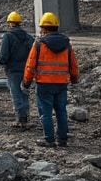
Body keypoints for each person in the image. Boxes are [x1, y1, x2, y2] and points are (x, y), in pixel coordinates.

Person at [23, 12, 79, 147]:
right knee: (61, 111)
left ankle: (49, 139)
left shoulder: (39, 44)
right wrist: (74, 78)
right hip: (61, 83)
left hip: (44, 84)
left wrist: (26, 81)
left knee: (45, 112)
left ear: (43, 28)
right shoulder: (66, 44)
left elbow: (30, 65)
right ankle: (62, 139)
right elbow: (73, 63)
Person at [0, 11, 34, 128]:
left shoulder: (7, 36)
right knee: (24, 92)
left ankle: (21, 119)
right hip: (26, 70)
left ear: (9, 23)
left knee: (16, 93)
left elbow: (4, 54)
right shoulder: (28, 37)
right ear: (19, 23)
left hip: (13, 70)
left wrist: (1, 62)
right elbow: (33, 54)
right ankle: (25, 115)